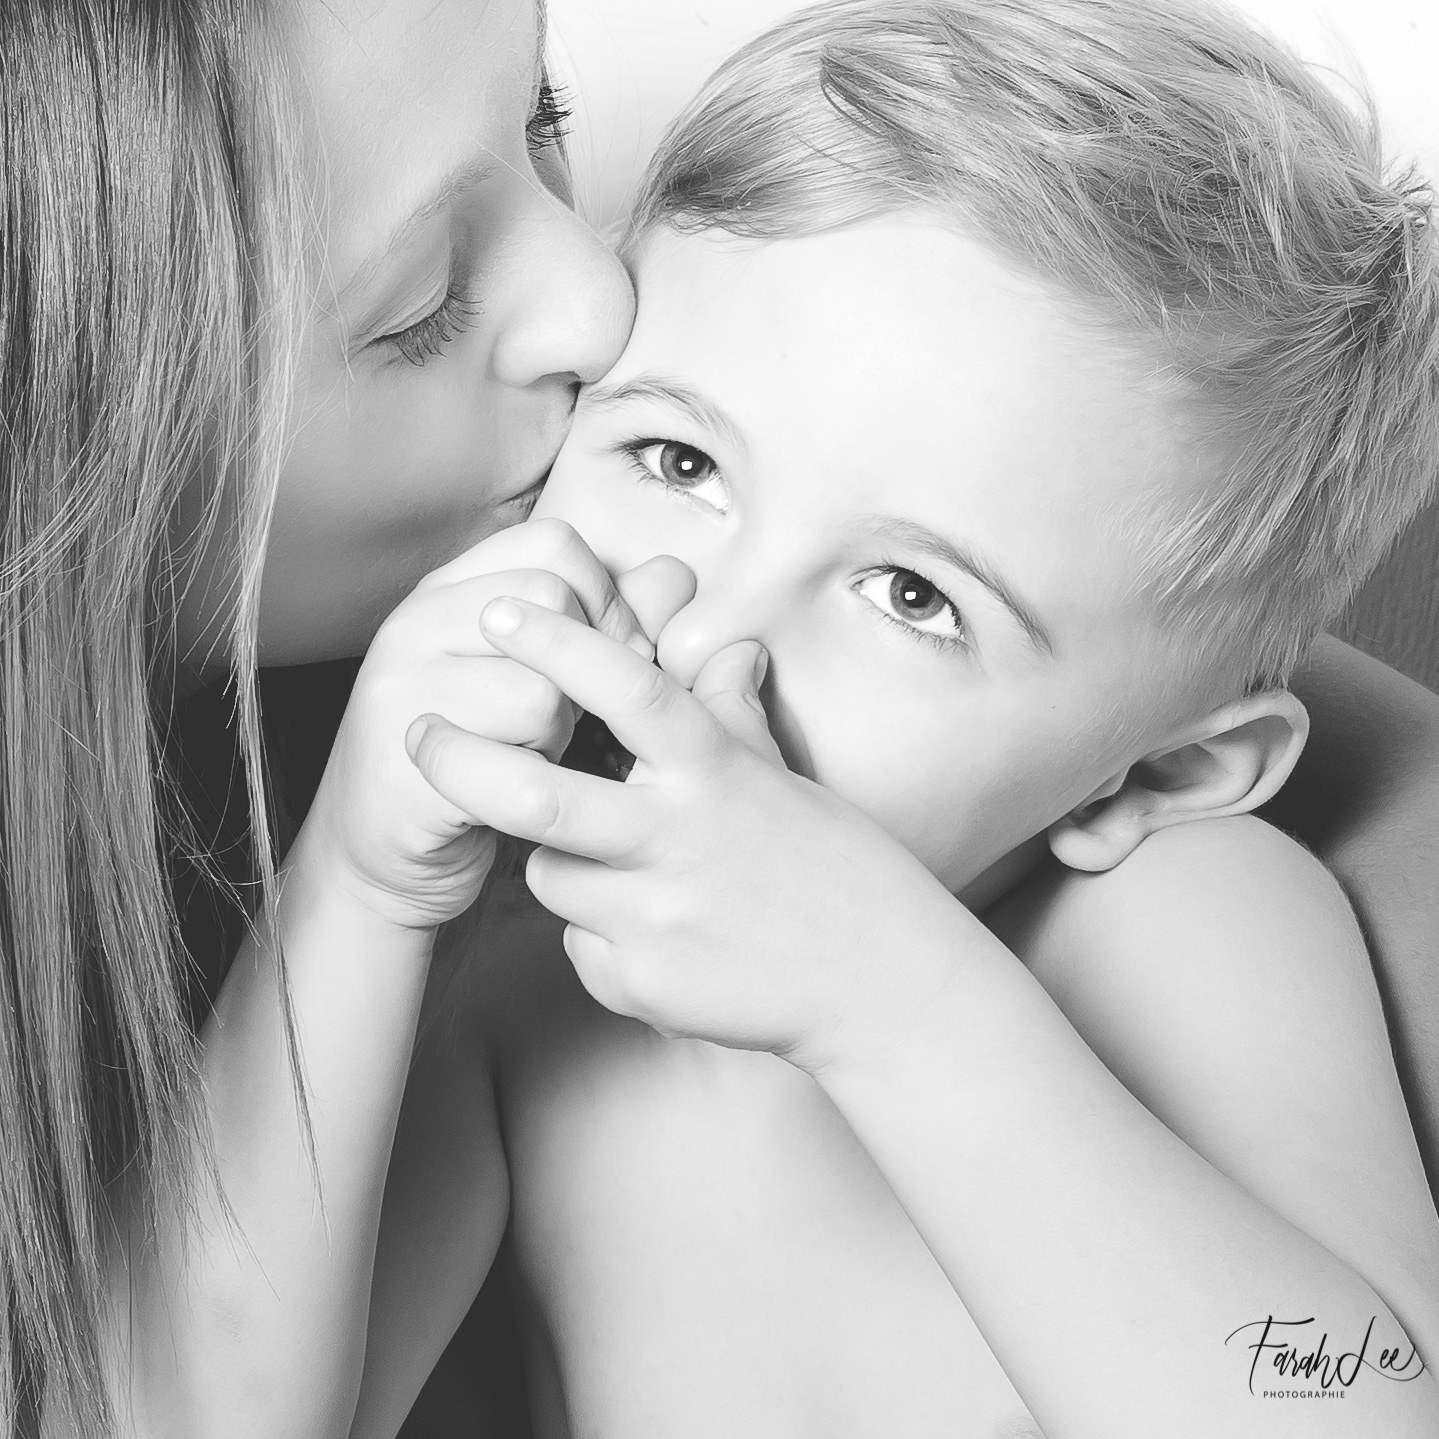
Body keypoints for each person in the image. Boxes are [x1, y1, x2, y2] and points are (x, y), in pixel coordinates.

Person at [1, 0, 1436, 1436]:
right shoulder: (515, 965)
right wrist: (355, 900)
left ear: (1168, 771)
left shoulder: (1183, 920)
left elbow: (1363, 1406)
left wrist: (898, 1001)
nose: (704, 636)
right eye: (679, 461)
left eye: (913, 597)